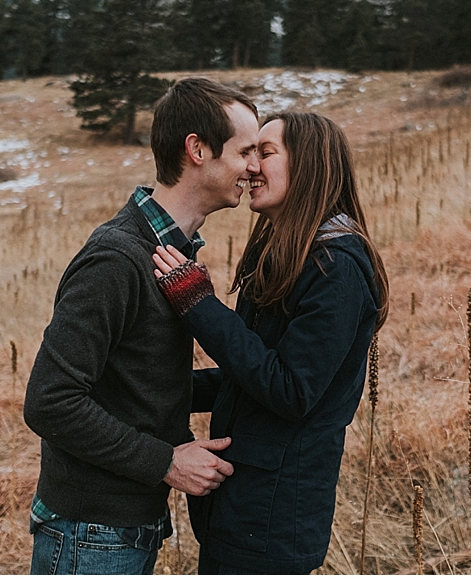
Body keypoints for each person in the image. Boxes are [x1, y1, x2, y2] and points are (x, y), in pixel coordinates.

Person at [22, 77, 261, 575]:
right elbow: (50, 400)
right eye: (245, 152)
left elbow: (137, 382)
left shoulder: (169, 253)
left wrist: (267, 378)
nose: (254, 167)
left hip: (120, 528)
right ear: (197, 149)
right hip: (90, 533)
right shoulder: (118, 258)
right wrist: (167, 462)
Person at [152, 112, 390, 574]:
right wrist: (162, 388)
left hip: (273, 519)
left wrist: (199, 303)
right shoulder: (290, 252)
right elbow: (254, 373)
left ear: (310, 165)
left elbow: (291, 390)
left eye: (266, 152)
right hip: (246, 510)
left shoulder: (336, 266)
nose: (251, 167)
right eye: (250, 153)